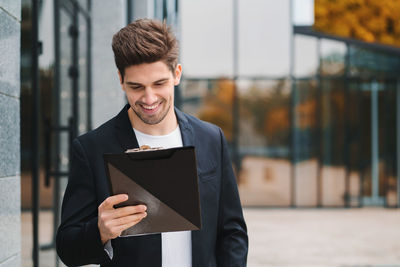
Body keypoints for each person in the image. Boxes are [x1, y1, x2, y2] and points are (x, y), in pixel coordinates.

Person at [56, 18, 248, 267]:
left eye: (159, 84)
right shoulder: (92, 149)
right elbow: (68, 248)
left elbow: (232, 231)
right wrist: (100, 230)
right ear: (120, 80)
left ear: (176, 74)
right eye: (136, 87)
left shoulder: (211, 139)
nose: (149, 98)